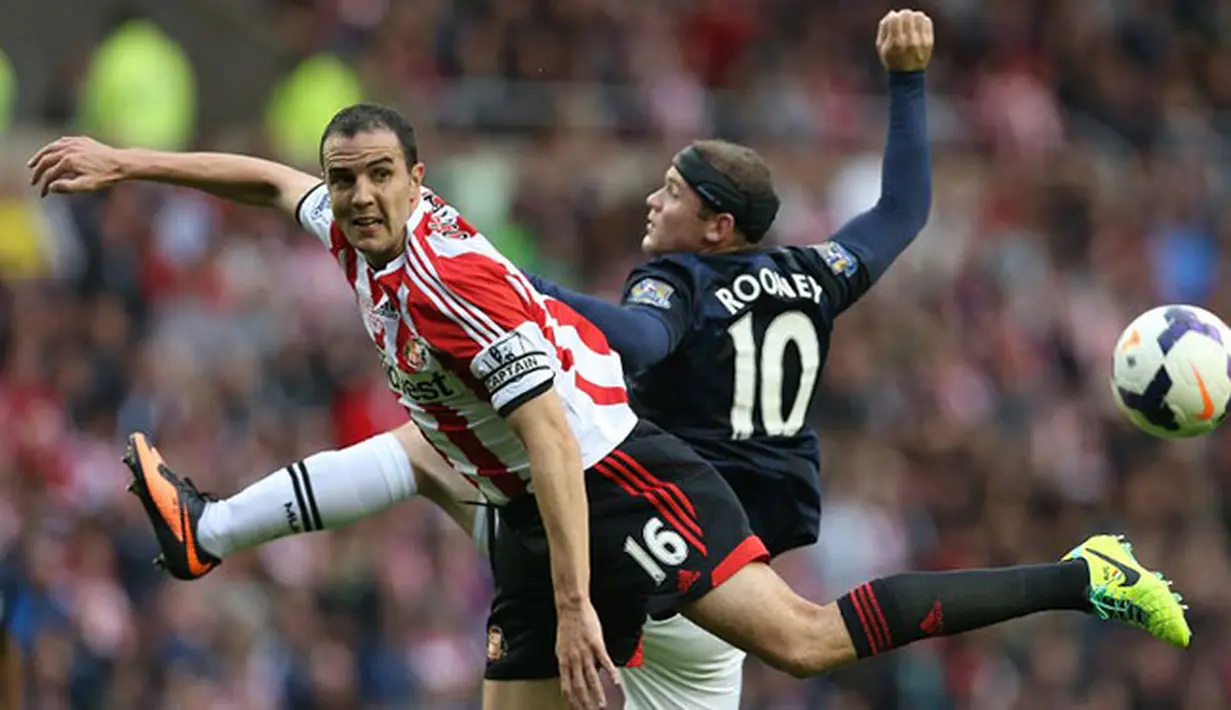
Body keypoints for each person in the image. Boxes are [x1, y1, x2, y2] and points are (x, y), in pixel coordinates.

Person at [28, 12, 1190, 710]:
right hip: (542, 501)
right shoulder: (354, 226)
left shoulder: (491, 289)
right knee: (431, 448)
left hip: (617, 481)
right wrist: (125, 161)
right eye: (347, 178)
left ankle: (1076, 573)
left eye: (382, 175)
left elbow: (560, 419)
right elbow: (271, 182)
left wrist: (580, 599)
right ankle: (210, 532)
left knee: (801, 637)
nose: (359, 194)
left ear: (419, 179)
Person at [519, 10, 932, 707]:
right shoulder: (815, 273)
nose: (652, 201)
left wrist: (526, 289)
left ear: (717, 226)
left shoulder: (681, 278)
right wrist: (908, 81)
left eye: (672, 192)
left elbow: (644, 340)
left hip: (675, 536)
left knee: (463, 473)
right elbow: (901, 209)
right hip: (753, 547)